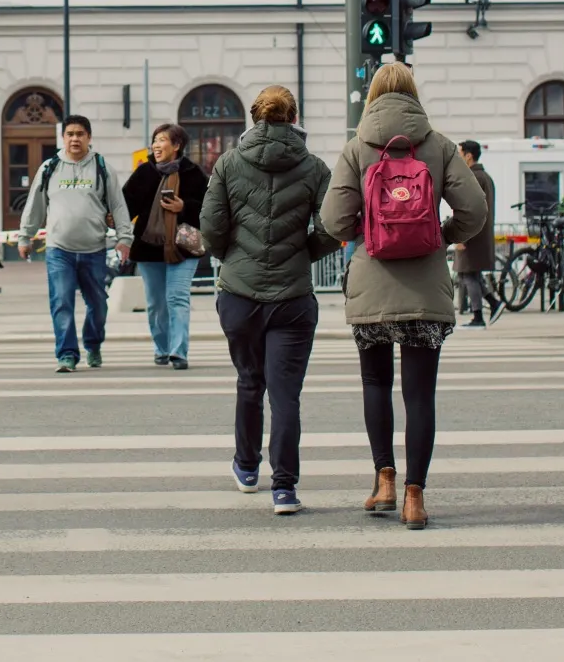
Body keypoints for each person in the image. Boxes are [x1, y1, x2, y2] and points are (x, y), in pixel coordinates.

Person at [321, 62, 489, 530]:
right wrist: (439, 232)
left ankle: (385, 482)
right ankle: (416, 497)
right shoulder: (438, 145)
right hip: (425, 285)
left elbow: (333, 220)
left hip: (371, 283)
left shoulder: (357, 148)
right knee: (420, 394)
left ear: (372, 95)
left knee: (375, 385)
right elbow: (474, 209)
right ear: (413, 94)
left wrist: (367, 231)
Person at [202, 86, 330, 515]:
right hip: (293, 297)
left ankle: (246, 466)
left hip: (239, 295)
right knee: (286, 395)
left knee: (248, 381)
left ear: (256, 116)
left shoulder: (228, 163)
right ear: (294, 117)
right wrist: (303, 253)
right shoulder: (313, 168)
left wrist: (233, 258)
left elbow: (212, 226)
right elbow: (332, 226)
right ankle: (285, 489)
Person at [18, 114, 125, 374]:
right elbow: (35, 205)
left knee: (98, 304)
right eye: (70, 134)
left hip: (94, 249)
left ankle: (93, 343)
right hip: (59, 250)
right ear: (63, 137)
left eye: (80, 134)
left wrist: (124, 238)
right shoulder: (49, 168)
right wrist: (25, 236)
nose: (75, 139)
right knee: (62, 302)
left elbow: (118, 205)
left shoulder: (101, 167)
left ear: (89, 137)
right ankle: (66, 354)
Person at [120, 123, 211, 368]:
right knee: (156, 304)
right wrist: (116, 229)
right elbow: (125, 206)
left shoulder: (194, 173)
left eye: (162, 140)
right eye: (155, 140)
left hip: (183, 247)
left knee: (177, 298)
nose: (157, 145)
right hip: (149, 248)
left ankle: (178, 352)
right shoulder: (144, 173)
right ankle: (161, 348)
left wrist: (185, 207)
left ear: (177, 145)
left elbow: (210, 208)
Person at [455, 141, 497, 328]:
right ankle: (494, 303)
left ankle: (478, 315)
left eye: (460, 153)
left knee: (467, 275)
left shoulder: (472, 177)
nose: (458, 157)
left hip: (472, 236)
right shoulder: (485, 176)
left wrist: (462, 237)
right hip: (481, 234)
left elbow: (468, 209)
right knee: (472, 275)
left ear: (468, 156)